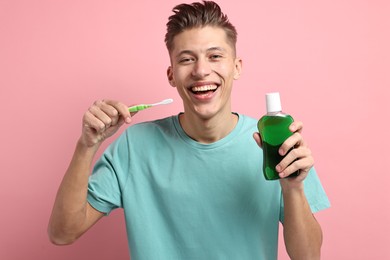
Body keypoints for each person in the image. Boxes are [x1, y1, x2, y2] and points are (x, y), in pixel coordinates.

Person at [48, 1, 330, 259]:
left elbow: (308, 257)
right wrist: (87, 145)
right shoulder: (134, 147)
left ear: (237, 67)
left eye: (215, 56)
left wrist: (292, 189)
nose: (201, 70)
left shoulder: (277, 146)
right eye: (186, 59)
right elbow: (62, 234)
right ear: (171, 75)